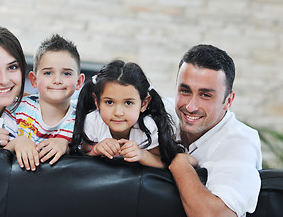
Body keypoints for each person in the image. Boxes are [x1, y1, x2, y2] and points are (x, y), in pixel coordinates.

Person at [167, 44, 262, 217]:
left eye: (205, 95)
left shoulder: (239, 141)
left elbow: (216, 215)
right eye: (185, 90)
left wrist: (180, 164)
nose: (190, 106)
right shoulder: (160, 113)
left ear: (228, 101)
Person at [70, 60, 184, 168]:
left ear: (144, 104)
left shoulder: (148, 127)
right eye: (109, 102)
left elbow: (163, 163)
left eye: (128, 103)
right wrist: (97, 148)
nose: (118, 113)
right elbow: (84, 151)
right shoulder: (93, 121)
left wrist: (141, 154)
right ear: (97, 101)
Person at [3, 34, 85, 171]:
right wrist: (18, 142)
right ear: (34, 80)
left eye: (66, 73)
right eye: (48, 73)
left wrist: (67, 146)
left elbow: (90, 154)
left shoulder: (82, 119)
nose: (57, 80)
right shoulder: (18, 109)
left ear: (79, 82)